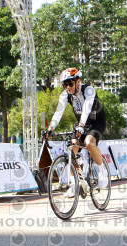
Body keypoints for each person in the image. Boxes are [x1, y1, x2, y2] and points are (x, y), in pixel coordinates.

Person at [46, 68, 108, 196]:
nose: (68, 87)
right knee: (71, 149)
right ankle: (74, 184)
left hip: (96, 122)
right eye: (65, 85)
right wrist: (50, 129)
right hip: (80, 124)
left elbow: (86, 108)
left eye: (70, 84)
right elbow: (58, 113)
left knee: (89, 142)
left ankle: (102, 171)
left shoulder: (89, 90)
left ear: (78, 81)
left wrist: (81, 125)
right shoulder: (65, 95)